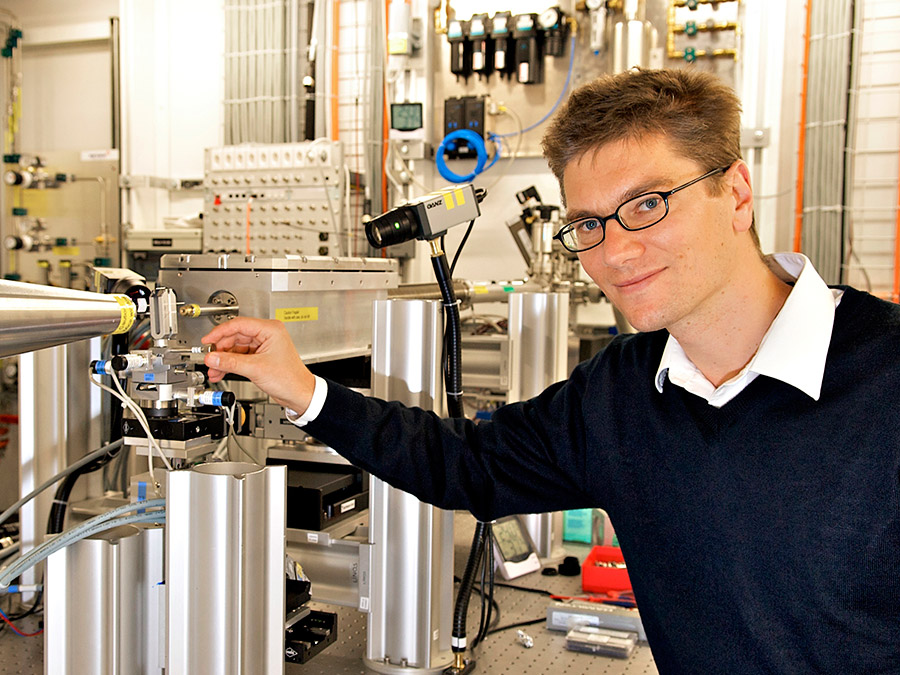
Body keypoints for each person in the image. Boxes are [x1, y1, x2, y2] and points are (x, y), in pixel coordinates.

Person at [202, 69, 900, 673]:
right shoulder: (624, 391)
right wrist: (302, 386)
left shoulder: (886, 380)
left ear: (738, 193)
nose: (616, 252)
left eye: (648, 204)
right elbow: (465, 464)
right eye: (588, 224)